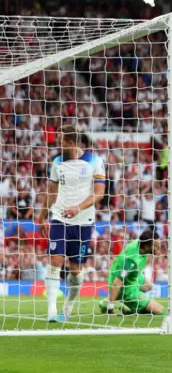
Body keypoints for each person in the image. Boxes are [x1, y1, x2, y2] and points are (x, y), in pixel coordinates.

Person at [37, 125, 106, 322]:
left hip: (84, 222)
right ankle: (51, 311)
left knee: (76, 270)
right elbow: (51, 192)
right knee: (55, 261)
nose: (58, 146)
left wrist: (79, 207)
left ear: (70, 143)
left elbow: (99, 193)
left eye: (61, 142)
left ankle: (67, 309)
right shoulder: (57, 162)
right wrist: (42, 217)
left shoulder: (95, 161)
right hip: (59, 218)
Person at [98, 229, 164, 315]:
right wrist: (110, 309)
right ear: (147, 247)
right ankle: (118, 301)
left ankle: (122, 303)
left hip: (133, 276)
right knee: (159, 310)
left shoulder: (140, 243)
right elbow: (117, 283)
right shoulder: (132, 261)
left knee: (149, 286)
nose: (158, 247)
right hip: (124, 285)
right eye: (155, 245)